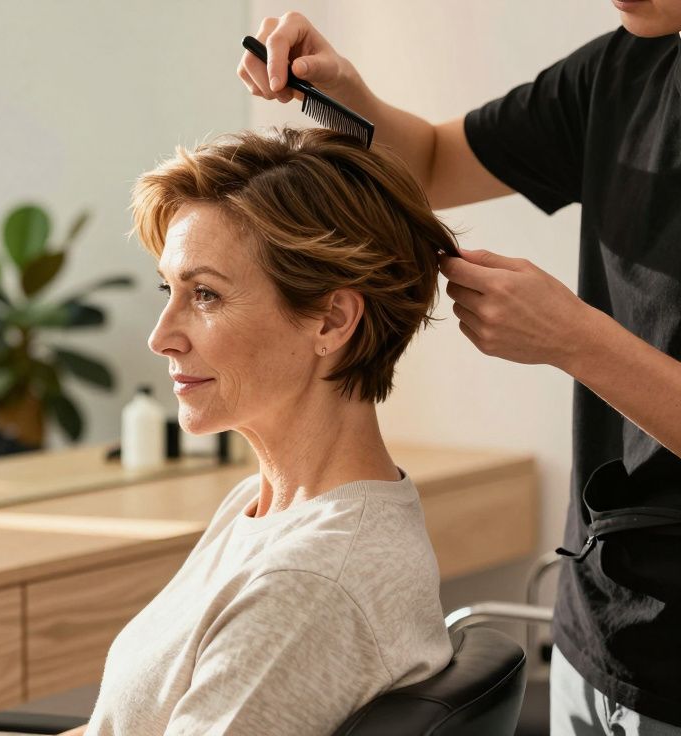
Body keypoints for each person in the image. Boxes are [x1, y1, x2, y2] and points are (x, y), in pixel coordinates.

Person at [238, 6, 681, 732]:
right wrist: (348, 95)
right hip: (595, 626)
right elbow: (434, 163)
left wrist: (575, 340)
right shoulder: (623, 67)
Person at [62, 127, 458, 736]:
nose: (161, 336)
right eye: (169, 289)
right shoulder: (263, 507)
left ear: (331, 320)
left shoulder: (306, 584)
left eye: (206, 295)